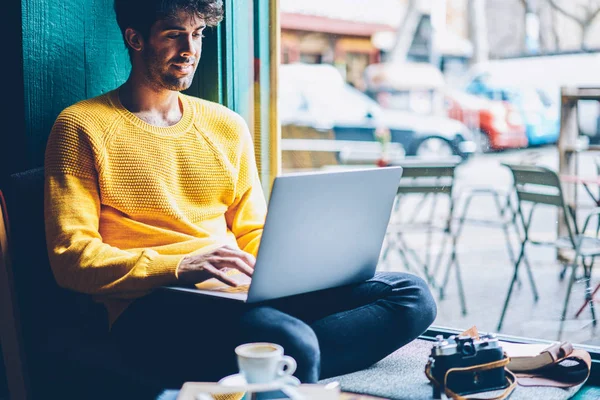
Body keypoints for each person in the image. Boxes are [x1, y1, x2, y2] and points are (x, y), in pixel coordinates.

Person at [44, 0, 437, 390]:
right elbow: (73, 259)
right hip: (150, 303)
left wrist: (296, 270)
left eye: (197, 34)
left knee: (411, 296)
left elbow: (253, 231)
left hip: (237, 293)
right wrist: (182, 264)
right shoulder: (82, 126)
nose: (190, 50)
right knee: (290, 341)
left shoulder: (225, 126)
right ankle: (289, 359)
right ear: (135, 38)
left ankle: (280, 364)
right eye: (173, 34)